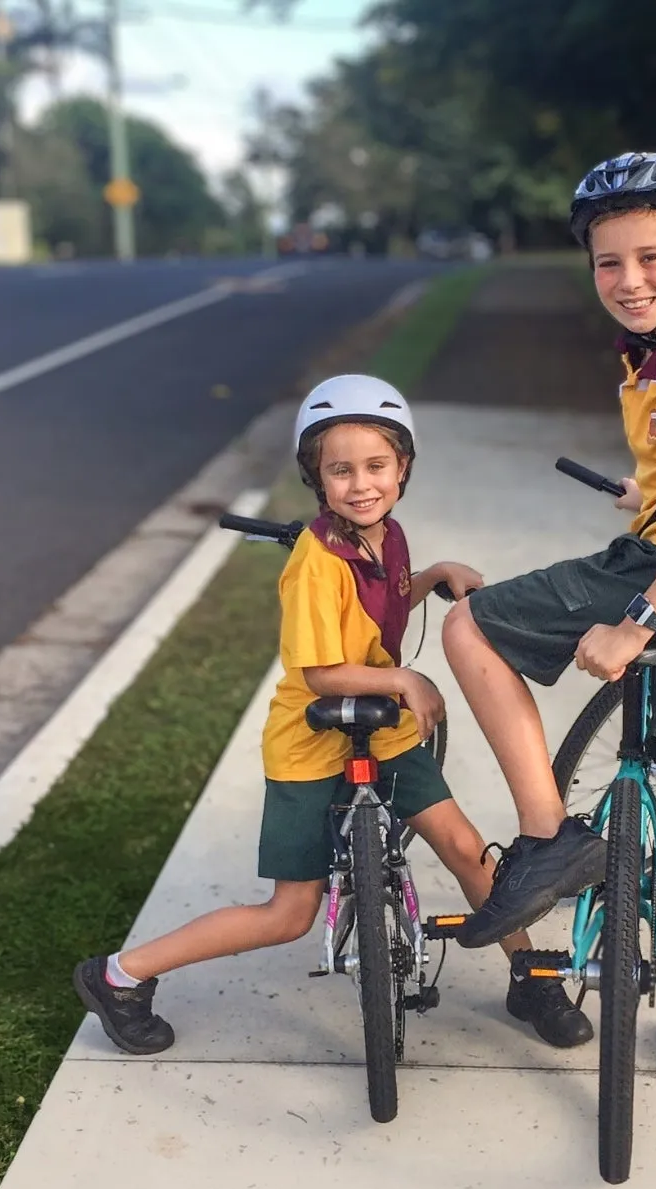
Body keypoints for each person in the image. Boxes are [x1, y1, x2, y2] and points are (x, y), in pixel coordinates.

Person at [73, 375, 593, 1055]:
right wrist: (404, 677)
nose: (361, 484)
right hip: (311, 741)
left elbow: (377, 606)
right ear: (316, 479)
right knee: (290, 913)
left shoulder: (388, 535)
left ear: (403, 468)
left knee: (466, 849)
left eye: (377, 466)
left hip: (383, 729)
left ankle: (530, 976)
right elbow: (320, 673)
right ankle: (119, 976)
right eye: (341, 470)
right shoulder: (315, 563)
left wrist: (433, 575)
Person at [441, 152, 656, 1098]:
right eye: (609, 262)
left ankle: (549, 837)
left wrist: (638, 620)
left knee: (471, 627)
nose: (630, 280)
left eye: (650, 258)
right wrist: (654, 493)